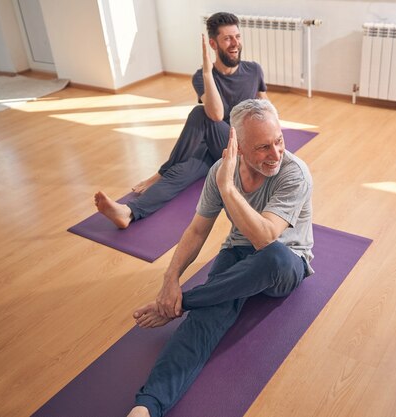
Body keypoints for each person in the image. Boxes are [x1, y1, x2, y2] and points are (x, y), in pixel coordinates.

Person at [126, 99, 314, 417]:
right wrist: (169, 279)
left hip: (286, 261)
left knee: (274, 258)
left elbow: (266, 237)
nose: (276, 154)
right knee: (204, 321)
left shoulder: (294, 173)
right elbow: (197, 231)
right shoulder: (220, 171)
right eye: (264, 147)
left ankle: (184, 303)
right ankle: (148, 406)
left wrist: (228, 188)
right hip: (238, 254)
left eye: (279, 141)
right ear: (238, 146)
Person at [95, 12, 268, 229]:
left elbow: (259, 108)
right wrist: (208, 72)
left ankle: (160, 173)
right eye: (227, 38)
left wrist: (272, 142)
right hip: (218, 151)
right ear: (213, 44)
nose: (235, 44)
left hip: (241, 150)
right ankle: (129, 212)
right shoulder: (200, 77)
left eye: (238, 37)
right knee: (182, 172)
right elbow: (216, 112)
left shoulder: (253, 70)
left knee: (199, 114)